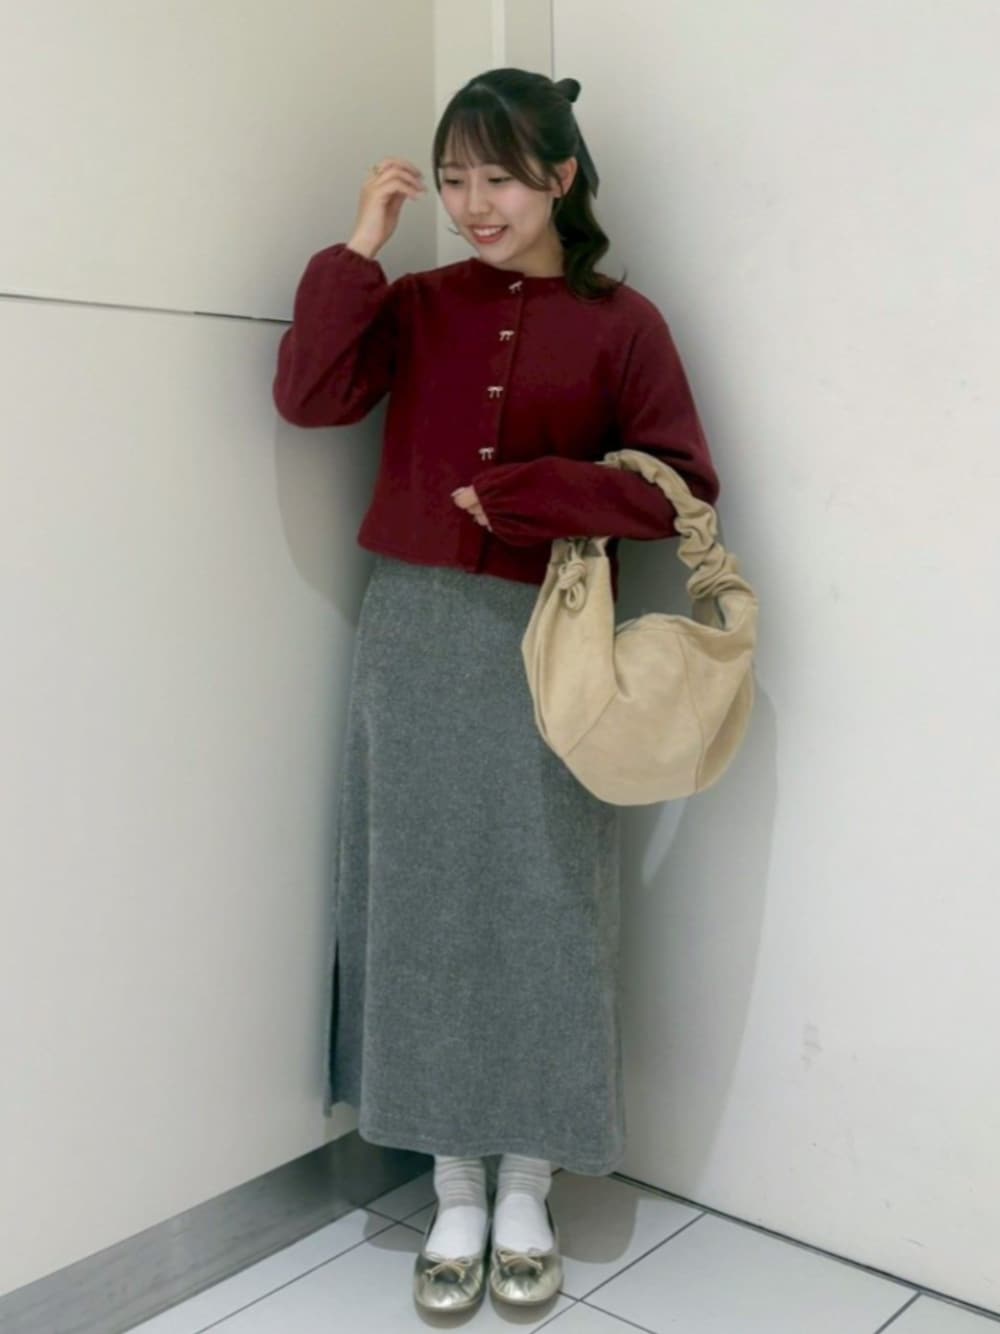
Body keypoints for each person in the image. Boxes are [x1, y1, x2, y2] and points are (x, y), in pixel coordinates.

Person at [272, 67, 720, 1314]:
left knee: (545, 897)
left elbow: (679, 486)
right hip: (415, 631)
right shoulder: (414, 302)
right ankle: (452, 1184)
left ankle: (529, 1178)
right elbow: (308, 396)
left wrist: (530, 493)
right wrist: (359, 249)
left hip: (557, 632)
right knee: (416, 893)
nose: (474, 204)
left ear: (560, 178)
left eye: (502, 178)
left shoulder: (623, 322)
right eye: (454, 178)